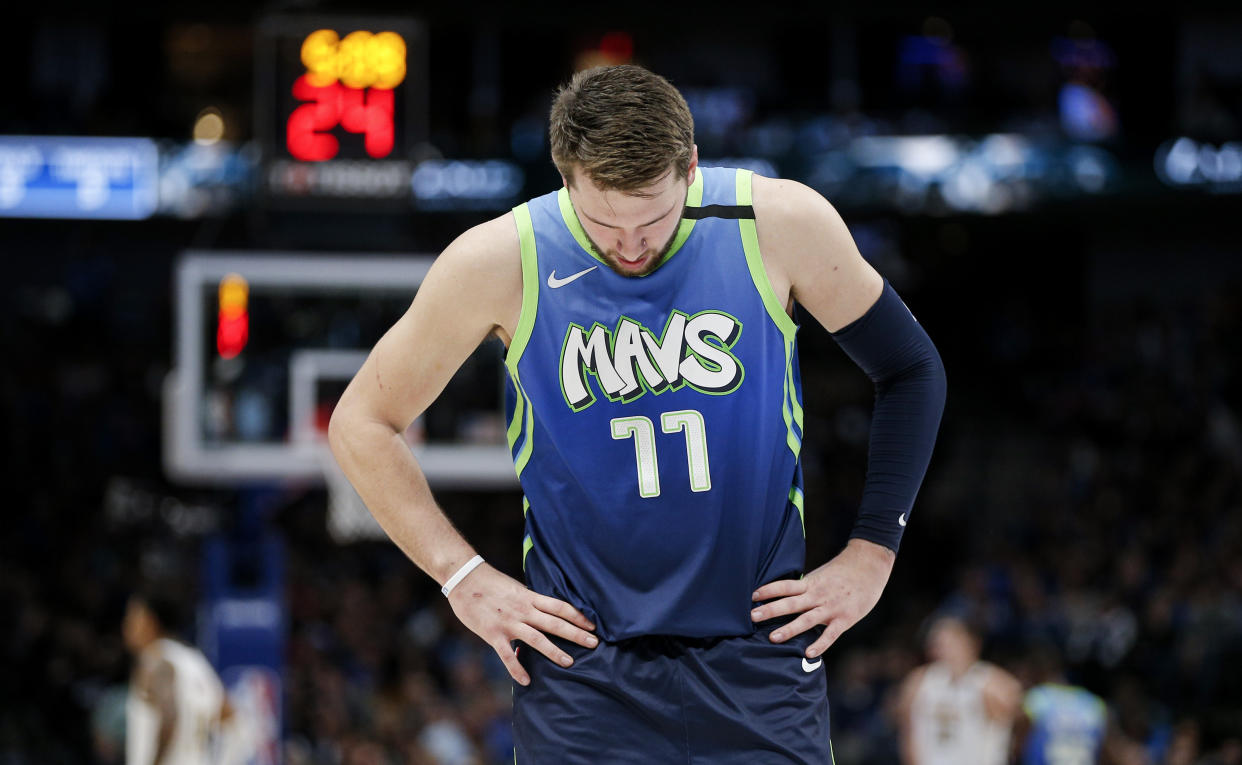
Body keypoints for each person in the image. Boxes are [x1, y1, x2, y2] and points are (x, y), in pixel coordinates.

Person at [329, 64, 947, 762]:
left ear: (690, 168)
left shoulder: (778, 222)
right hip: (584, 668)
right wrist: (460, 574)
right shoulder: (501, 259)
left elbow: (911, 367)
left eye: (652, 218)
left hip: (758, 655)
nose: (629, 245)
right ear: (565, 179)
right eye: (602, 223)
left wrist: (873, 549)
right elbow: (362, 421)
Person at [122, 589, 234, 765]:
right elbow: (229, 716)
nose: (126, 626)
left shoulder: (154, 659)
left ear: (152, 621)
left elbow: (169, 716)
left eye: (133, 617)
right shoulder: (194, 661)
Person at [895, 615, 1023, 765]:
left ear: (970, 642)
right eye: (937, 643)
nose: (942, 648)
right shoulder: (918, 682)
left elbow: (1018, 725)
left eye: (949, 642)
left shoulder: (994, 683)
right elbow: (907, 732)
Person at [1016, 644, 1109, 765]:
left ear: (1036, 670)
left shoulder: (1036, 699)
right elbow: (1103, 750)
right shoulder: (1093, 703)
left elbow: (1018, 746)